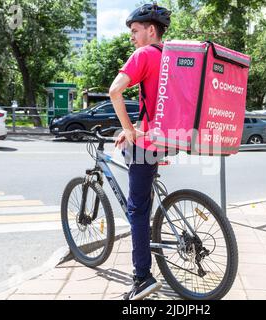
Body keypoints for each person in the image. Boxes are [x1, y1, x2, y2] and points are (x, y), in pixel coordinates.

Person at [109, 2, 171, 300]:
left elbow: (114, 91)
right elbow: (156, 105)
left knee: (137, 211)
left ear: (150, 30)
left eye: (135, 31)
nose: (132, 37)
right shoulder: (172, 57)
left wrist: (131, 131)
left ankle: (143, 277)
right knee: (143, 198)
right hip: (166, 138)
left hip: (146, 144)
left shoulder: (144, 54)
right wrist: (130, 128)